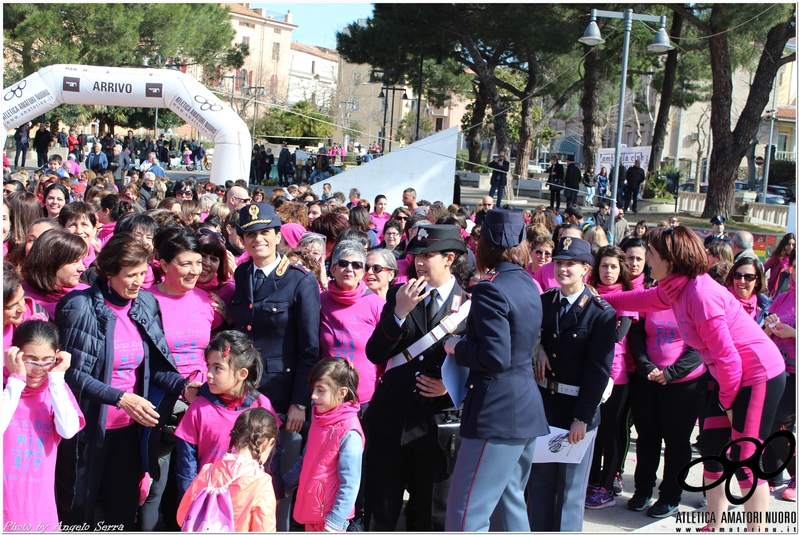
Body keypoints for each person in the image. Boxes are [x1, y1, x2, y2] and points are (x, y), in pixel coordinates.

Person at [601, 226, 786, 532]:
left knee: (745, 460)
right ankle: (715, 524)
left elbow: (729, 359)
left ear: (670, 260)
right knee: (712, 450)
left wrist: (728, 404)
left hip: (758, 375)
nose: (647, 259)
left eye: (652, 254)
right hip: (730, 377)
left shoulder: (701, 295)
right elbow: (643, 299)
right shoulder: (675, 287)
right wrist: (605, 300)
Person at [54, 234, 194, 531]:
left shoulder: (145, 302)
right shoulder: (78, 306)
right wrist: (119, 397)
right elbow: (71, 374)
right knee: (78, 512)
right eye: (130, 275)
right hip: (89, 430)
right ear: (108, 273)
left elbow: (155, 364)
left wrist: (183, 386)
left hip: (131, 431)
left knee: (121, 513)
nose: (138, 282)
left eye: (143, 274)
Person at [444, 209, 547, 531]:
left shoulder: (491, 287)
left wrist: (455, 347)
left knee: (465, 514)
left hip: (496, 412)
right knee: (510, 506)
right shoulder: (527, 282)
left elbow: (495, 356)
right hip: (525, 408)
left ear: (484, 245)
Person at [364, 225, 470, 531]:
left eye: (429, 255)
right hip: (392, 418)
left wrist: (448, 388)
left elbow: (478, 365)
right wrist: (399, 313)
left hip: (436, 426)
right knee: (379, 510)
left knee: (432, 514)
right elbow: (375, 353)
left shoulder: (469, 305)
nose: (420, 262)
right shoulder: (401, 293)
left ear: (449, 258)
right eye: (416, 255)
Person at [228, 203, 321, 531]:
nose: (258, 240)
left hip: (282, 398)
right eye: (250, 234)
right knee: (244, 473)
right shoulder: (242, 274)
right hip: (245, 393)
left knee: (276, 480)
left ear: (278, 235)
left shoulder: (299, 281)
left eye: (265, 232)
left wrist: (299, 401)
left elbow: (310, 349)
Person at [138, 229, 229, 531]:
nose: (195, 270)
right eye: (185, 263)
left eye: (197, 262)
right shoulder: (147, 301)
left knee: (201, 482)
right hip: (162, 401)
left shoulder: (207, 301)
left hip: (205, 401)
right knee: (155, 484)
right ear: (162, 265)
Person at [528, 236, 616, 531]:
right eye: (560, 263)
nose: (563, 269)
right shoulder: (545, 302)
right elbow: (531, 337)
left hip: (577, 410)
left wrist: (583, 417)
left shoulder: (600, 313)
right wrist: (538, 347)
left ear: (585, 270)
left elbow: (597, 372)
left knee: (570, 489)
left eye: (570, 264)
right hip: (545, 406)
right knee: (540, 482)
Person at [625, 265, 706, 517]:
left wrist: (670, 373)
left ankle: (670, 496)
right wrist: (647, 366)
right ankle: (642, 490)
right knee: (647, 437)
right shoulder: (650, 296)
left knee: (676, 442)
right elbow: (636, 337)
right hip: (648, 379)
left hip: (684, 385)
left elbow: (700, 345)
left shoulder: (693, 301)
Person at [174, 330, 281, 500]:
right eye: (208, 366)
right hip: (207, 501)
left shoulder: (262, 406)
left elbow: (272, 458)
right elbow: (187, 462)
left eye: (218, 368)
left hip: (247, 499)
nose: (209, 374)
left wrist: (270, 495)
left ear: (242, 374)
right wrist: (191, 499)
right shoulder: (198, 408)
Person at [3, 320, 84, 531]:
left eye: (46, 361)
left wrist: (56, 379)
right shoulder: (7, 386)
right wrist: (16, 381)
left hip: (39, 508)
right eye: (31, 361)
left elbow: (68, 430)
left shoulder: (56, 389)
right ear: (15, 354)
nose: (38, 370)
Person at [281, 358, 363, 531]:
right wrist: (285, 485)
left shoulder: (350, 433)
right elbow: (305, 461)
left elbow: (350, 483)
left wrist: (335, 520)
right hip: (312, 514)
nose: (313, 396)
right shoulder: (319, 420)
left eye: (321, 390)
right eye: (313, 389)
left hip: (331, 522)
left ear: (342, 392)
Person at [584, 246, 638, 510]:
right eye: (604, 266)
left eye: (614, 267)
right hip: (590, 374)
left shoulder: (627, 298)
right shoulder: (588, 293)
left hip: (616, 377)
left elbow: (618, 335)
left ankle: (607, 486)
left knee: (609, 433)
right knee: (590, 432)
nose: (608, 271)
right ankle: (592, 481)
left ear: (621, 270)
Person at [177, 408, 279, 532]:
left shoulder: (208, 471)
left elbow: (182, 515)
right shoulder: (261, 482)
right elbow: (265, 528)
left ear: (235, 435)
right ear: (269, 442)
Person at [319, 240, 383, 406]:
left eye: (356, 265)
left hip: (366, 400)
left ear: (363, 272)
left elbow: (386, 355)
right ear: (332, 268)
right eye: (343, 263)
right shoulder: (318, 302)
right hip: (328, 398)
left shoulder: (376, 304)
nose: (349, 269)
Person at [762, 249, 796, 501]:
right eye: (795, 266)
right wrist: (770, 327)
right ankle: (773, 474)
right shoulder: (783, 297)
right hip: (775, 370)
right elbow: (764, 329)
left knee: (778, 422)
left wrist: (793, 334)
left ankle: (794, 472)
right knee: (770, 420)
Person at [22, 229, 89, 318]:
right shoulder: (21, 300)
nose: (82, 268)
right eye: (74, 261)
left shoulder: (90, 296)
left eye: (81, 260)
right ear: (50, 263)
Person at [724, 256, 771, 327]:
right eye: (737, 275)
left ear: (757, 282)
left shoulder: (766, 308)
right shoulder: (722, 302)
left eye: (749, 277)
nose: (742, 281)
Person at [56, 202, 101, 270]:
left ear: (94, 230)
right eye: (72, 225)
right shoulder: (56, 262)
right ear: (61, 229)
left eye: (84, 225)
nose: (79, 231)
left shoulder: (101, 263)